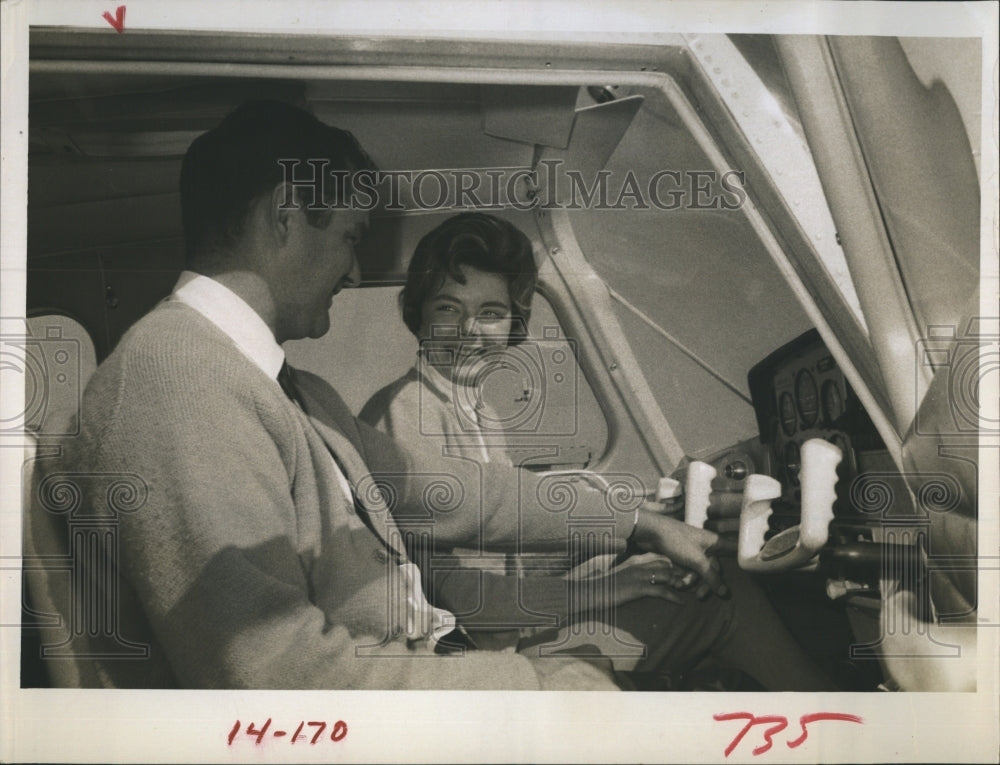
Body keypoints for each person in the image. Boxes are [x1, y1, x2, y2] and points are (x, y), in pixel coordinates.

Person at [29, 100, 732, 690]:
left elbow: (456, 493)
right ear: (287, 215)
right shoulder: (174, 382)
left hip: (435, 675)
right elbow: (281, 674)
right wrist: (530, 687)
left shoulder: (293, 392)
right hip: (413, 707)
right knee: (708, 624)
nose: (354, 267)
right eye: (349, 237)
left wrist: (635, 519)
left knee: (718, 604)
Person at [361, 212, 836, 690]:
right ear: (418, 312)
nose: (469, 331)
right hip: (481, 661)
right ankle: (842, 725)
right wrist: (608, 589)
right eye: (448, 308)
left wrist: (631, 537)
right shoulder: (404, 415)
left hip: (499, 634)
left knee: (688, 573)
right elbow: (460, 598)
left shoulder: (472, 409)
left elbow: (499, 550)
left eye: (490, 313)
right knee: (724, 592)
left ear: (513, 323)